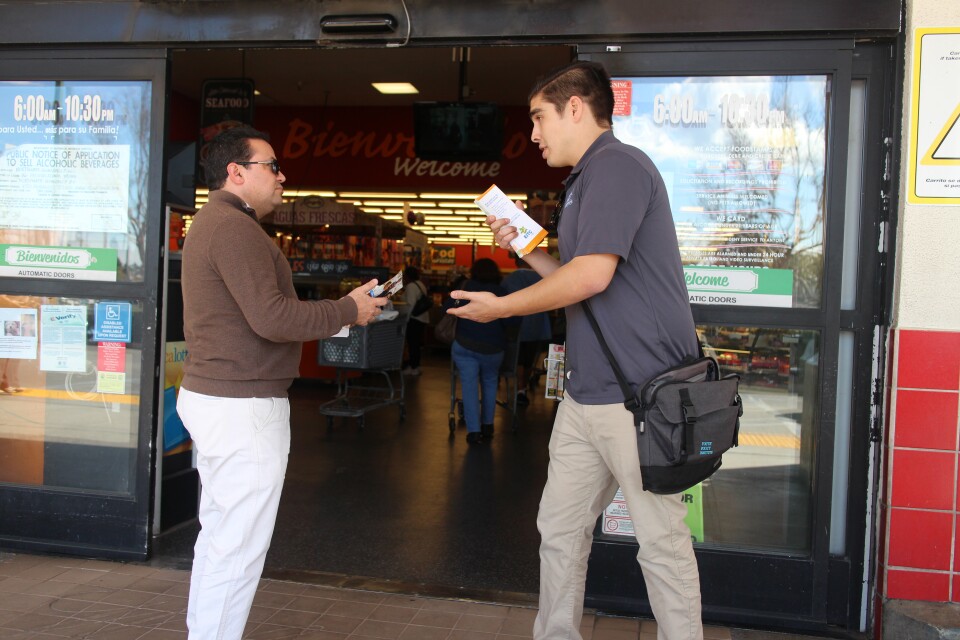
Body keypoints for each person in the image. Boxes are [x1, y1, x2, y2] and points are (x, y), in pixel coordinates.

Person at [447, 62, 703, 639]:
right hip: (586, 397)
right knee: (559, 532)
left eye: (539, 118)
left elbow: (590, 278)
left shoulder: (617, 167)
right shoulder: (585, 180)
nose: (533, 134)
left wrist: (499, 307)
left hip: (640, 398)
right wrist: (526, 247)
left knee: (661, 544)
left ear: (575, 108)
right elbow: (578, 276)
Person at [177, 125, 386, 640]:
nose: (282, 175)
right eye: (272, 165)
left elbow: (267, 315)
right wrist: (346, 308)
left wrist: (346, 312)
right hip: (241, 405)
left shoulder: (215, 224)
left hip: (220, 397)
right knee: (238, 548)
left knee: (221, 539)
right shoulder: (233, 228)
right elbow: (271, 318)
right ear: (236, 172)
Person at [444, 258, 517, 444]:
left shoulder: (465, 287)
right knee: (490, 383)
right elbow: (511, 322)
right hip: (493, 348)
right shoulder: (501, 292)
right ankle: (488, 426)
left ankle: (474, 432)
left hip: (465, 344)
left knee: (469, 386)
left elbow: (446, 308)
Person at [501, 255, 552, 405]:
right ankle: (523, 388)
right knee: (530, 359)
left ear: (516, 262)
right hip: (538, 326)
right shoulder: (543, 278)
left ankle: (519, 387)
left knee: (517, 358)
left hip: (516, 326)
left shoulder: (509, 279)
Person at [401, 266, 429, 376]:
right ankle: (416, 366)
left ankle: (413, 367)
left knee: (412, 343)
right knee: (416, 343)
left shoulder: (411, 286)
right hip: (422, 318)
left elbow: (410, 304)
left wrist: (406, 319)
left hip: (414, 319)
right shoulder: (420, 284)